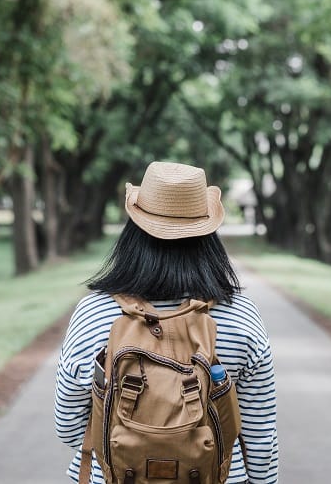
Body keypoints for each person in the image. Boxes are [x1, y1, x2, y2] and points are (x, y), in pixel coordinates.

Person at [54, 161, 279, 483]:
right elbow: (259, 438)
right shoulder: (240, 315)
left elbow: (68, 428)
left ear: (132, 232)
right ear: (208, 234)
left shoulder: (94, 313)